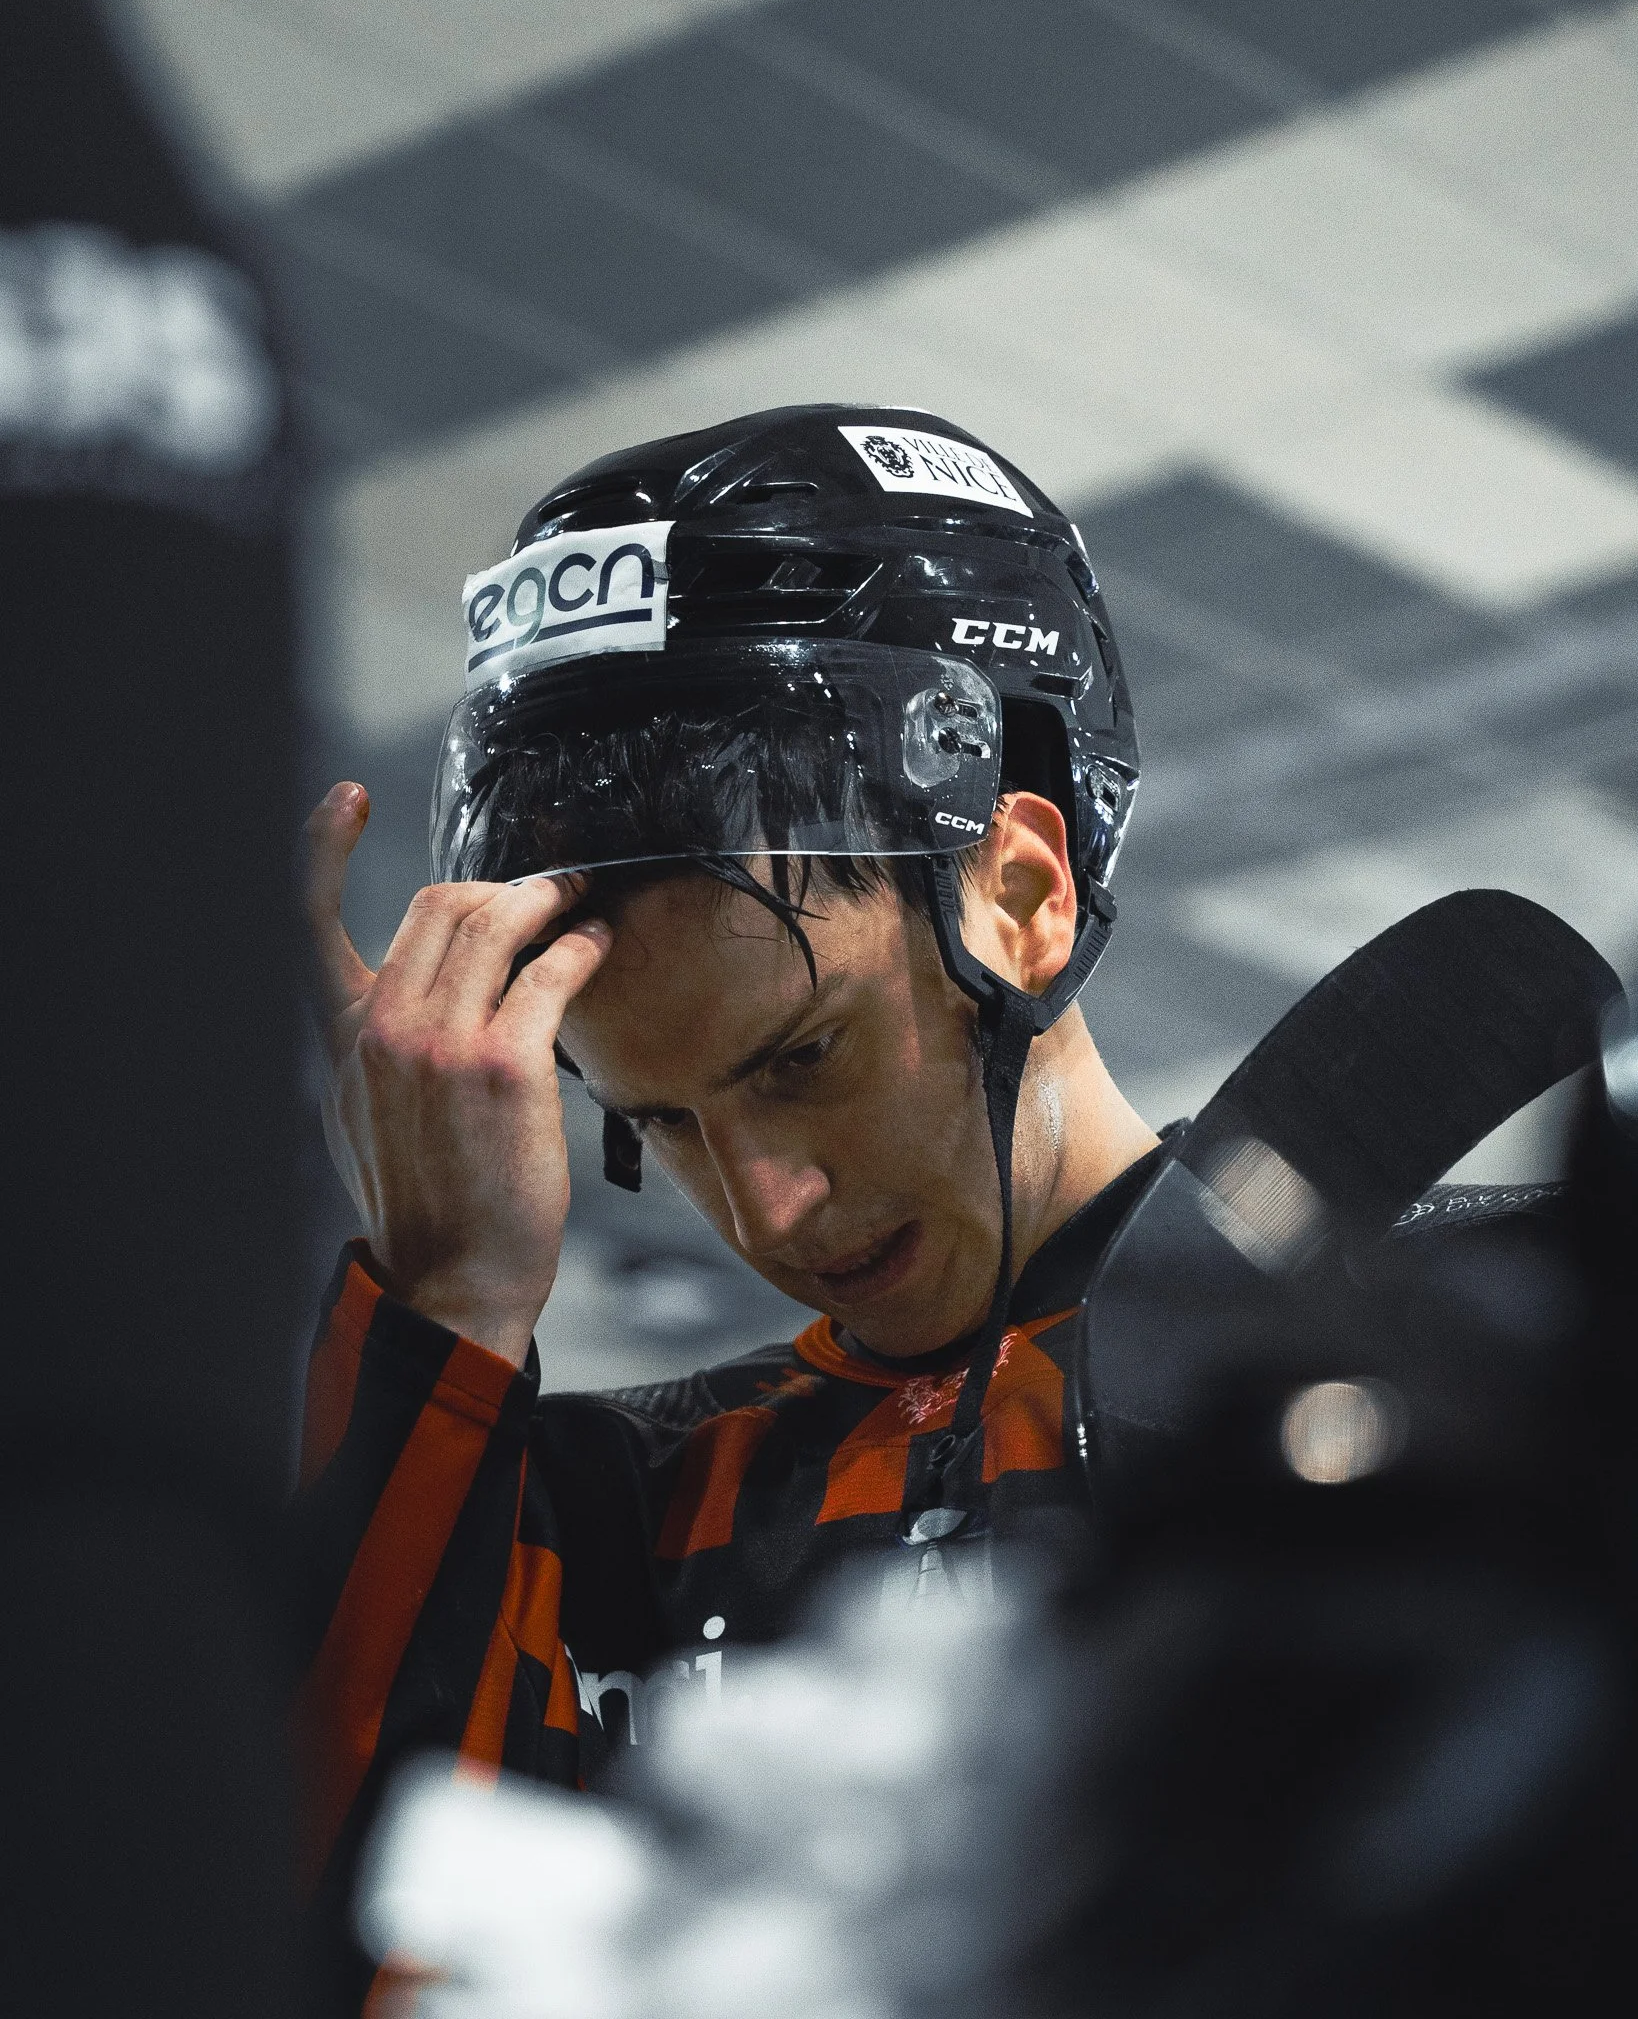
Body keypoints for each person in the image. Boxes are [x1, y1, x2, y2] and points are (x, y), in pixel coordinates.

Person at [297, 406, 1581, 1994]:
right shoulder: (589, 1507)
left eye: (800, 1060)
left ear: (1024, 895)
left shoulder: (1494, 1376)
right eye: (663, 1126)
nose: (769, 1211)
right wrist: (446, 1311)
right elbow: (338, 1964)